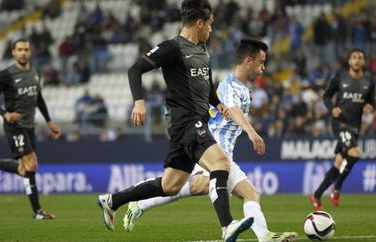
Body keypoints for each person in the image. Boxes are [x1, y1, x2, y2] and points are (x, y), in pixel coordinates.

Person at [97, 1, 253, 241]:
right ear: (199, 23)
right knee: (220, 162)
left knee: (170, 185)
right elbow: (134, 70)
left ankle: (112, 201)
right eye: (210, 24)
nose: (211, 30)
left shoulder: (203, 49)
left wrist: (217, 103)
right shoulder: (172, 48)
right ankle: (227, 226)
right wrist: (139, 102)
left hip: (193, 122)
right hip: (185, 121)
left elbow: (206, 85)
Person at [123, 38, 299, 242]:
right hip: (211, 145)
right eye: (261, 62)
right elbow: (232, 109)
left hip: (224, 152)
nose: (264, 67)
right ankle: (140, 204)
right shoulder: (230, 85)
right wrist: (251, 132)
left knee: (241, 192)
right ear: (248, 61)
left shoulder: (242, 88)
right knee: (202, 185)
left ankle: (265, 235)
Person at [0, 39, 62, 219]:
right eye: (19, 49)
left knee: (24, 170)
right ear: (13, 52)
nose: (23, 52)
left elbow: (38, 98)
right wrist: (4, 114)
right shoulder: (5, 75)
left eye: (26, 50)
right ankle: (37, 211)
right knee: (32, 164)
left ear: (30, 53)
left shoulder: (34, 73)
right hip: (14, 127)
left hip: (29, 127)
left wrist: (49, 121)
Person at [310, 48, 375, 210]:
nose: (357, 60)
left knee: (338, 163)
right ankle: (337, 188)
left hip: (354, 126)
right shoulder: (340, 78)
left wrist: (369, 106)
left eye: (360, 57)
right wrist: (332, 108)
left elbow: (371, 101)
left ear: (363, 61)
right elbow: (326, 96)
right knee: (355, 154)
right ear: (349, 61)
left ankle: (316, 194)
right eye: (354, 57)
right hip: (340, 123)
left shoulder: (369, 82)